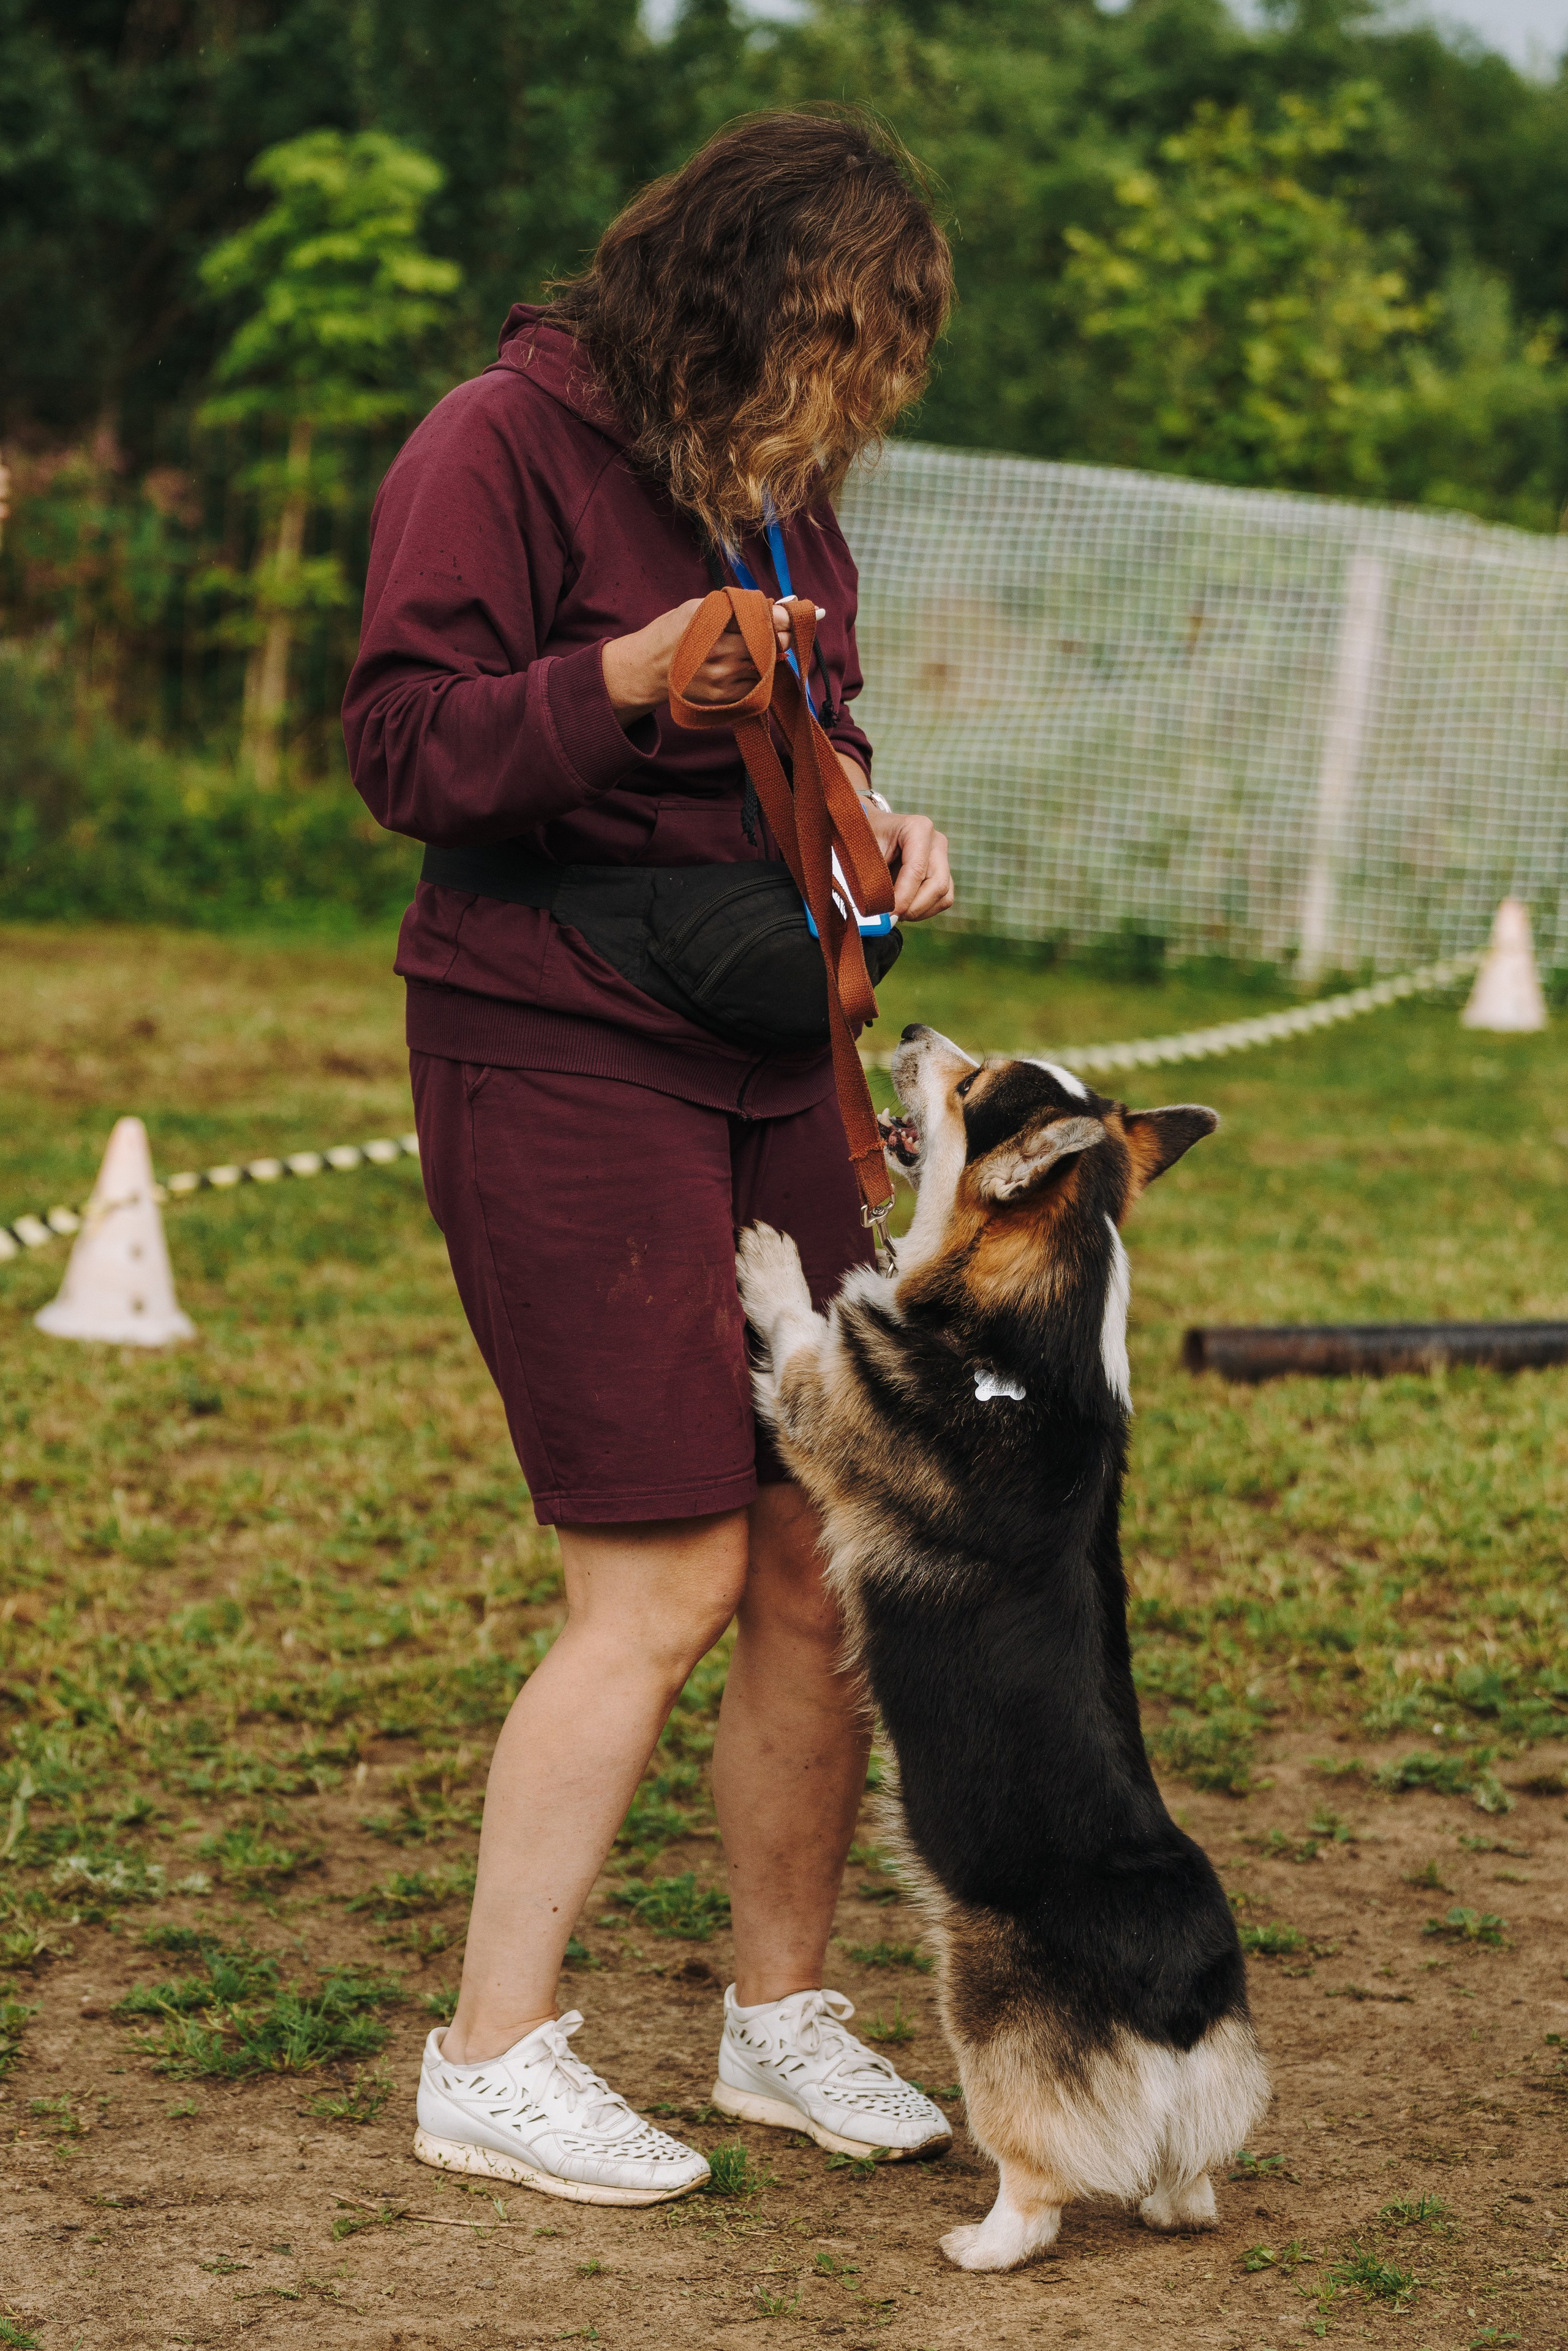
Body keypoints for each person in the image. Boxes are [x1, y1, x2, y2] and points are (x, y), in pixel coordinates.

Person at [343, 108, 956, 2206]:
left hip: (770, 1038)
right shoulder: (495, 446)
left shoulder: (779, 495)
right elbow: (404, 747)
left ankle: (781, 2023)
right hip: (554, 1036)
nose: (853, 399)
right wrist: (620, 680)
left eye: (880, 366)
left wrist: (882, 827)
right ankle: (490, 2057)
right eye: (839, 346)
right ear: (731, 295)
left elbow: (826, 713)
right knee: (669, 1563)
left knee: (818, 1540)